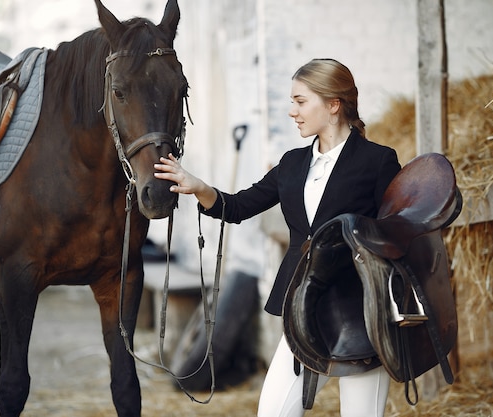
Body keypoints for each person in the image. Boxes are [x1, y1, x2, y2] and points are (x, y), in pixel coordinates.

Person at [154, 58, 401, 417]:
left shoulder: (378, 161)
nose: (292, 111)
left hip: (361, 308)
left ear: (333, 105)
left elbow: (394, 234)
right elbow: (237, 207)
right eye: (292, 102)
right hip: (302, 305)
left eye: (301, 101)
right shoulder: (292, 164)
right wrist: (199, 187)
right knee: (273, 411)